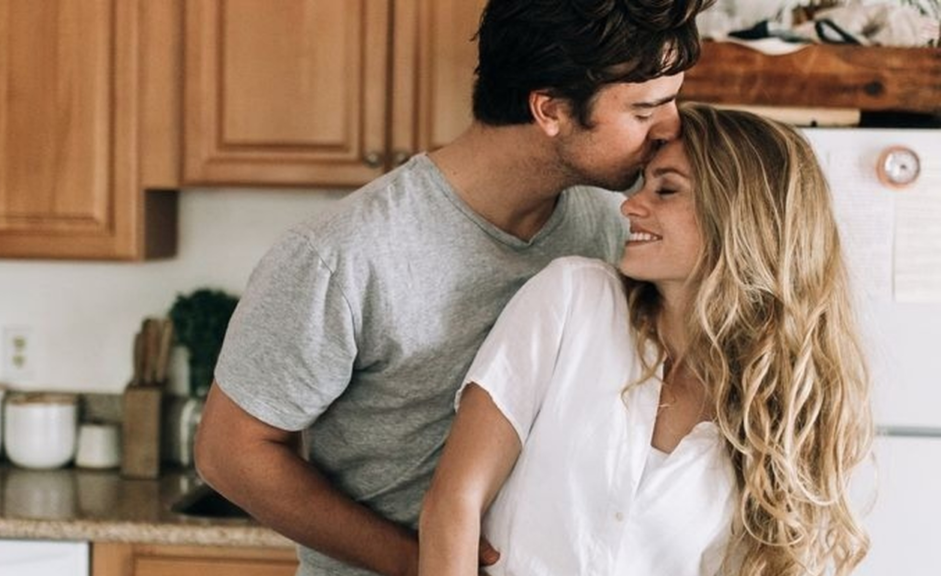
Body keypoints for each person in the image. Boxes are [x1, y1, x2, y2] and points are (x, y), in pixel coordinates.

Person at [194, 1, 713, 575]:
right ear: (550, 110)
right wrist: (419, 561)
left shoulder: (615, 230)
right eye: (645, 110)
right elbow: (230, 453)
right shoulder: (343, 256)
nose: (671, 128)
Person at [419, 103, 875, 576]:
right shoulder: (572, 300)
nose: (630, 205)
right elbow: (453, 503)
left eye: (667, 189)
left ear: (740, 215)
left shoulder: (779, 411)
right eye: (643, 185)